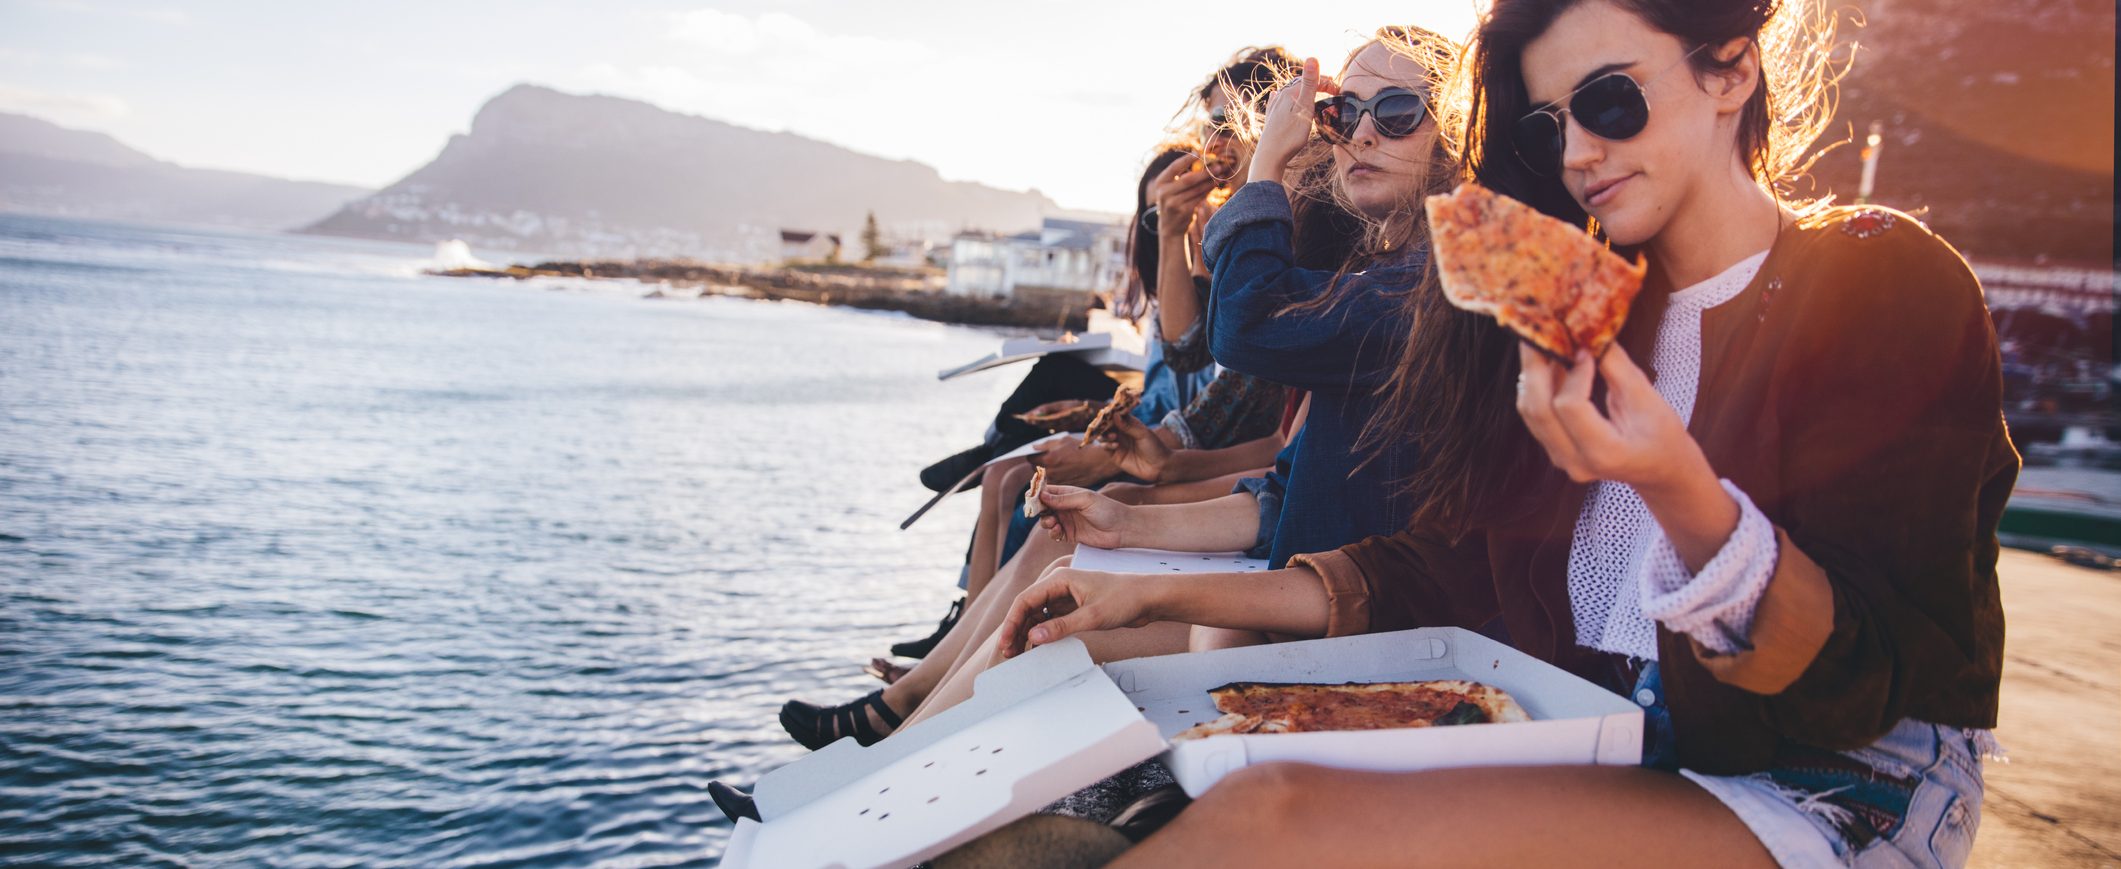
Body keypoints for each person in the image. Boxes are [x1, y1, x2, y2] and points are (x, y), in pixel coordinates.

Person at [999, 1, 2014, 865]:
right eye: (1542, 127)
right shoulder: (1581, 302)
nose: (1576, 153)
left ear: (1731, 71)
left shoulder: (1881, 281)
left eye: (1611, 101)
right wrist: (1144, 587)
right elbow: (1464, 573)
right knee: (1115, 772)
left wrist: (1673, 482)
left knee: (1273, 818)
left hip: (1837, 780)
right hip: (1606, 725)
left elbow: (1858, 676)